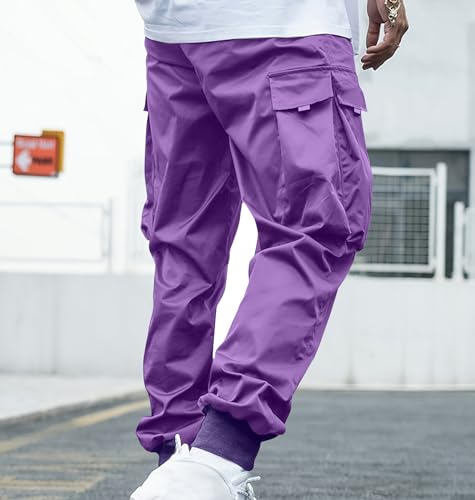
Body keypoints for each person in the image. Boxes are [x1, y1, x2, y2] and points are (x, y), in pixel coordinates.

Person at [130, 0, 408, 498]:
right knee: (315, 225)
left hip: (173, 31)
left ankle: (179, 456)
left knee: (184, 246)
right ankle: (216, 457)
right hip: (285, 25)